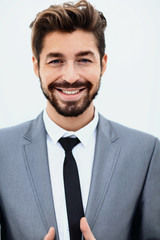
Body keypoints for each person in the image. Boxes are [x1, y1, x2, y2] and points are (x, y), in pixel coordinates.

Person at [0, 0, 160, 239]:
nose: (71, 76)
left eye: (84, 60)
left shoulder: (146, 152)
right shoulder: (2, 150)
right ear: (36, 67)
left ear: (103, 64)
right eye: (56, 61)